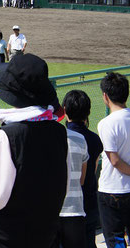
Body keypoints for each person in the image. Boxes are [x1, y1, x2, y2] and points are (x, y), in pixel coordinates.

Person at [0, 54, 68, 248]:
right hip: (43, 234)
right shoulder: (59, 132)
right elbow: (62, 187)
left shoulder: (9, 134)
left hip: (4, 237)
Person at [63, 90, 103, 248]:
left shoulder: (62, 137)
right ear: (88, 111)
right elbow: (92, 171)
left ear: (64, 110)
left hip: (67, 205)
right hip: (90, 201)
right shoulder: (94, 139)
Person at [97, 72, 130, 248]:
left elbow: (115, 161)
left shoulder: (106, 124)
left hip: (112, 189)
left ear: (105, 96)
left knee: (115, 239)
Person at [57, 90, 92, 248]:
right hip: (75, 209)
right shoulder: (81, 139)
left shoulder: (48, 138)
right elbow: (82, 179)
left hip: (52, 209)